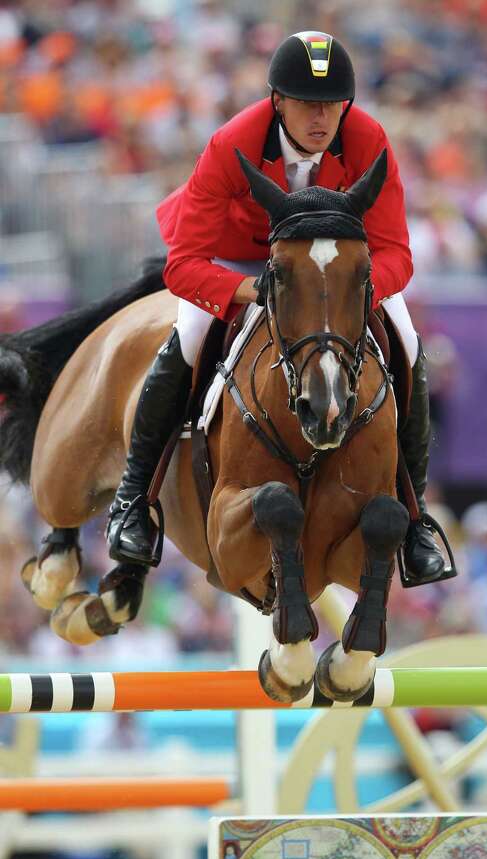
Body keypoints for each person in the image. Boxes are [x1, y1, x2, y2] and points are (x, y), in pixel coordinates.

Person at [106, 31, 445, 585]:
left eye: (333, 105)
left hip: (331, 274)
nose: (321, 118)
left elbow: (397, 254)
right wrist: (252, 291)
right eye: (308, 104)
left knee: (408, 343)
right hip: (238, 260)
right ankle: (133, 502)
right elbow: (183, 265)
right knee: (187, 340)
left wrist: (352, 293)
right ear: (277, 101)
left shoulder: (368, 141)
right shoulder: (231, 144)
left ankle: (416, 519)